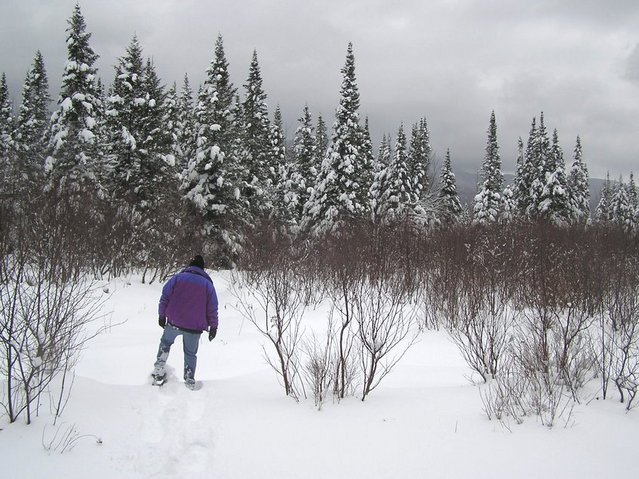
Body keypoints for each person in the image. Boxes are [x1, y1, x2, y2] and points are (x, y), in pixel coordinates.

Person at [151, 254, 218, 389]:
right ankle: (189, 380)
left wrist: (161, 315)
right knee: (190, 353)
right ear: (202, 268)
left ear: (190, 265)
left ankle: (158, 369)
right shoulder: (207, 285)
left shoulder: (178, 278)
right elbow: (212, 308)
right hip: (194, 327)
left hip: (174, 322)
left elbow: (165, 296)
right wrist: (213, 327)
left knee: (165, 343)